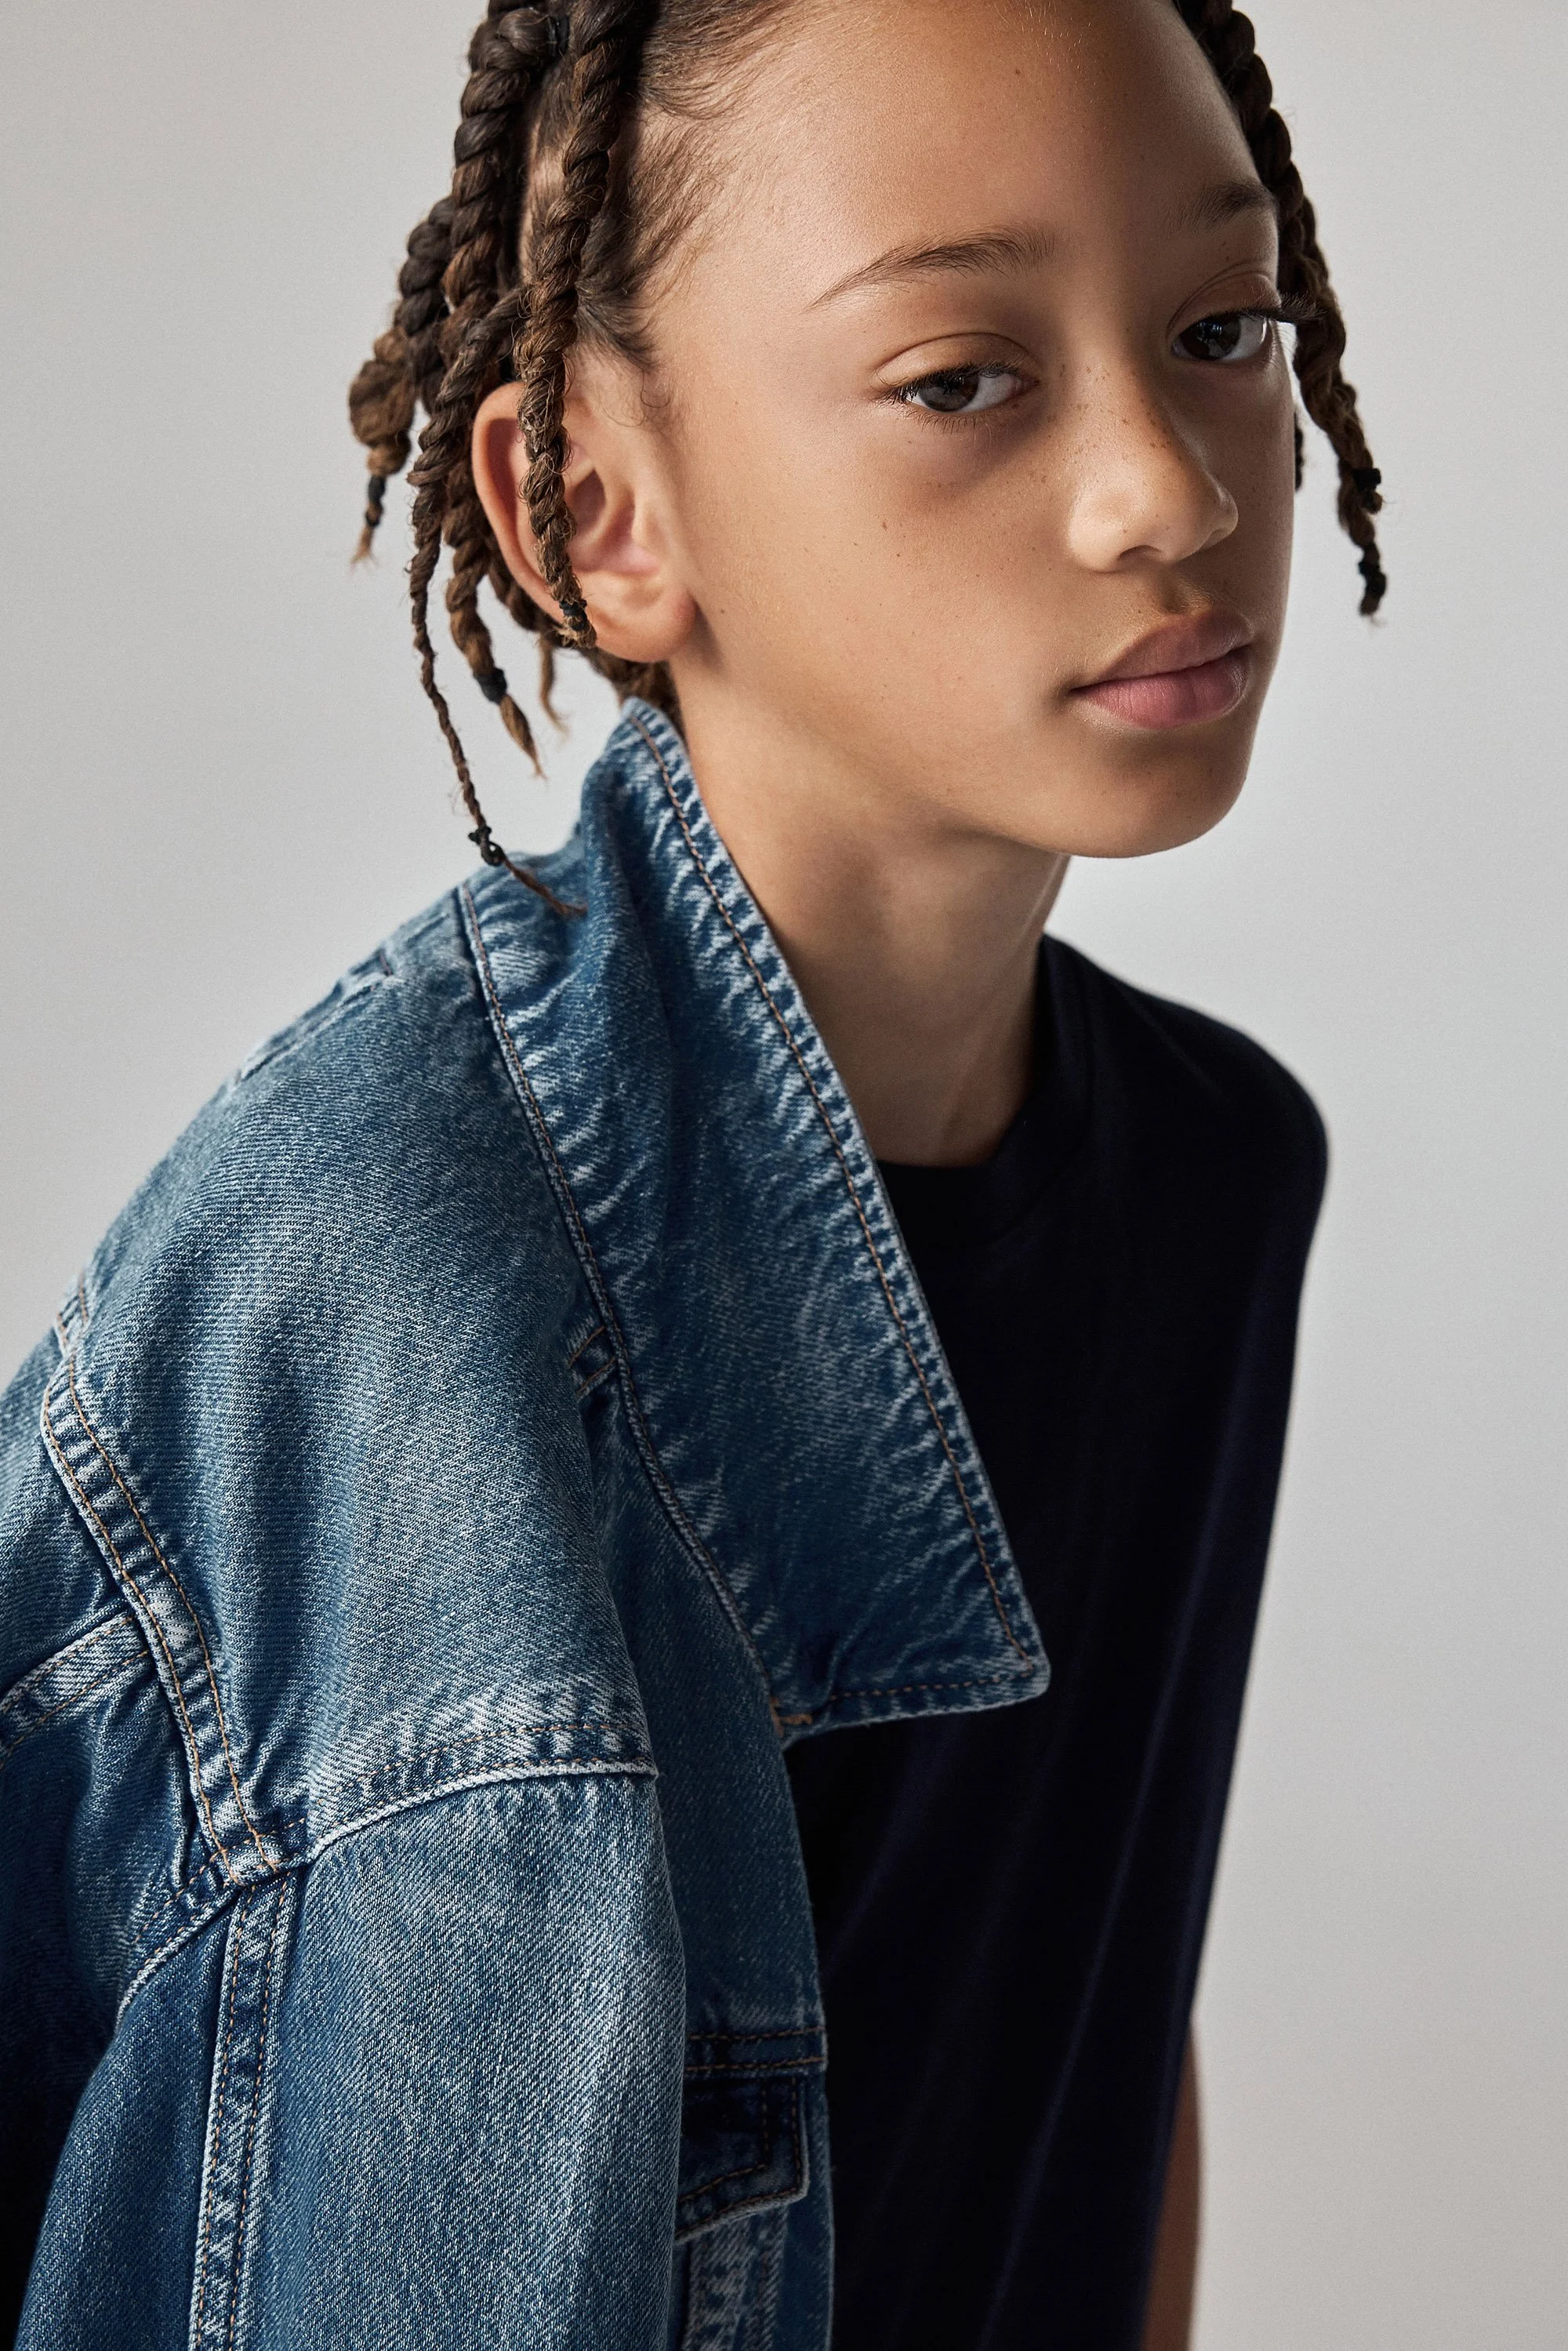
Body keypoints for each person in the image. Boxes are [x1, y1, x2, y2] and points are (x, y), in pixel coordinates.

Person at [0, 0, 1385, 2345]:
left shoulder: (1214, 1178)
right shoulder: (393, 1303)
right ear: (592, 513)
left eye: (1220, 328)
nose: (1173, 491)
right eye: (964, 377)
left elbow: (1094, 2027)